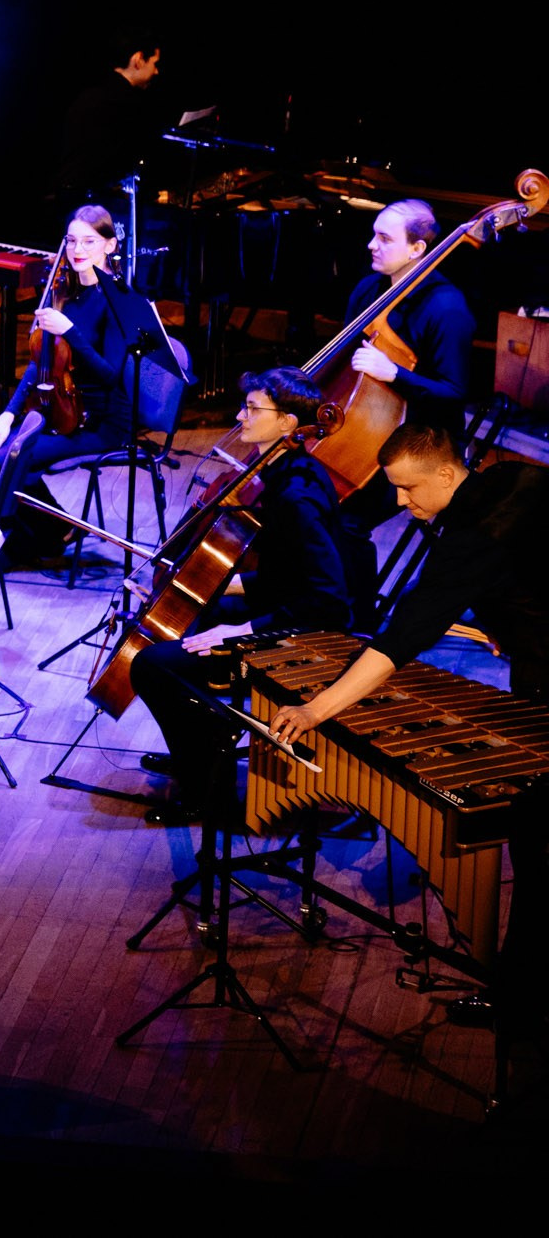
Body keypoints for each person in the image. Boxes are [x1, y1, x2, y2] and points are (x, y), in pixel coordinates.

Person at [268, 422, 547, 1014]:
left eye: (407, 490)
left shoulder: (475, 538)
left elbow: (402, 636)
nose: (400, 503)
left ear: (446, 474)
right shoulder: (517, 476)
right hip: (534, 668)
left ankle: (522, 1000)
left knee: (536, 841)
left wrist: (317, 707)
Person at [128, 368, 350, 824]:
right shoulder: (287, 471)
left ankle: (210, 794)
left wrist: (242, 631)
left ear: (288, 422)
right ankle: (199, 756)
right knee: (188, 616)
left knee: (151, 666)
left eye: (252, 409)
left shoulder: (297, 495)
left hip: (304, 632)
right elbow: (282, 576)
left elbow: (326, 599)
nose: (239, 416)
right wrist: (197, 584)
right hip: (284, 606)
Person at [332, 198, 476, 629]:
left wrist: (394, 373)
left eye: (384, 238)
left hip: (425, 443)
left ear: (417, 249)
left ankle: (356, 625)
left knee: (346, 519)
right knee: (308, 495)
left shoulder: (447, 308)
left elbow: (453, 393)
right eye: (374, 233)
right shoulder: (368, 289)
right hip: (369, 429)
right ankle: (315, 602)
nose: (371, 244)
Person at [0, 206, 139, 562]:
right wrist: (7, 416)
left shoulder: (121, 301)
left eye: (89, 241)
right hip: (62, 411)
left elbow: (110, 376)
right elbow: (40, 364)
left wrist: (71, 332)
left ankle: (20, 544)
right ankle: (55, 529)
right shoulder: (68, 295)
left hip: (102, 422)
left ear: (110, 246)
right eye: (72, 241)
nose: (78, 250)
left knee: (10, 459)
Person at [52, 28, 164, 209]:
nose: (156, 72)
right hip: (95, 205)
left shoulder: (92, 93)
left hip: (70, 197)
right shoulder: (124, 103)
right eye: (154, 63)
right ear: (138, 59)